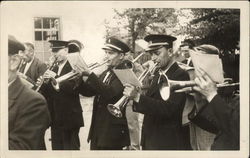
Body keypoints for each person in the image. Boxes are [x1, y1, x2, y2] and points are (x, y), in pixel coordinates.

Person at [123, 34, 191, 150]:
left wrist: (138, 97)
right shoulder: (158, 74)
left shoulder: (180, 74)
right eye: (151, 54)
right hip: (151, 138)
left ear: (170, 51)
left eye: (157, 53)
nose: (153, 58)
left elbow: (170, 109)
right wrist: (138, 93)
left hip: (167, 141)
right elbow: (153, 102)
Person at [77, 37, 131, 150]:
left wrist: (91, 75)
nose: (106, 56)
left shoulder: (125, 72)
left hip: (112, 132)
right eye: (106, 52)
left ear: (121, 56)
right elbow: (89, 92)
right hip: (99, 130)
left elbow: (109, 93)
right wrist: (80, 78)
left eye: (110, 53)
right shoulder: (106, 72)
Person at [188, 44, 239, 150]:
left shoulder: (224, 82)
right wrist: (198, 99)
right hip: (200, 131)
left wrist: (210, 94)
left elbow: (231, 125)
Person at [37, 40, 84, 150]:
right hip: (56, 116)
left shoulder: (74, 65)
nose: (54, 54)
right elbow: (50, 91)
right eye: (52, 51)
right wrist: (43, 83)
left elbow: (73, 87)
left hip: (70, 116)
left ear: (66, 50)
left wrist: (56, 76)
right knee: (57, 149)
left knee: (70, 150)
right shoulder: (54, 66)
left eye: (57, 51)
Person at [8, 35, 50, 150]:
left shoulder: (35, 103)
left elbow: (41, 85)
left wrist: (25, 78)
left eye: (26, 53)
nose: (24, 56)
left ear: (14, 62)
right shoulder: (24, 64)